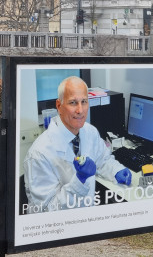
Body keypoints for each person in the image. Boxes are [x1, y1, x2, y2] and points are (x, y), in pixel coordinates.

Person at [23, 76, 132, 213]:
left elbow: (102, 160)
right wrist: (80, 180)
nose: (80, 110)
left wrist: (116, 170)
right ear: (59, 106)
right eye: (73, 103)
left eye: (84, 102)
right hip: (58, 229)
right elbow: (46, 210)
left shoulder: (89, 131)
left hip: (86, 217)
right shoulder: (39, 154)